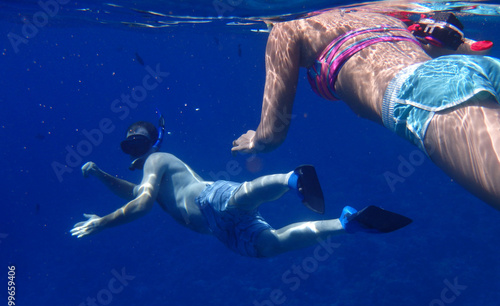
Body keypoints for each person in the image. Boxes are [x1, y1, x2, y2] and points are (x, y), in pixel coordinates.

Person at [231, 9, 500, 211]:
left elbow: (273, 132)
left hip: (420, 93)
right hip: (474, 69)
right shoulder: (377, 12)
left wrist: (257, 142)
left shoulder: (288, 27)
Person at [71, 118, 412, 257]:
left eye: (138, 143)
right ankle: (345, 223)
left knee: (240, 196)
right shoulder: (150, 173)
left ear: (151, 144)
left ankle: (291, 179)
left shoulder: (158, 161)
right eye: (128, 145)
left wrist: (102, 222)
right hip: (219, 231)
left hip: (207, 200)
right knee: (270, 245)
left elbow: (142, 204)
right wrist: (101, 175)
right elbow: (133, 195)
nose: (135, 150)